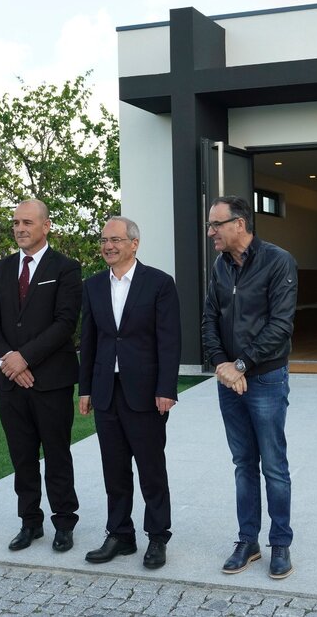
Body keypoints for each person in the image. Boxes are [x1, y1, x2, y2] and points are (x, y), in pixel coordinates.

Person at [201, 195, 298, 580]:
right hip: (230, 381)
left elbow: (281, 326)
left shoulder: (278, 261)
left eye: (216, 225)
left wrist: (242, 364)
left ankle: (281, 543)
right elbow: (209, 318)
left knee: (273, 465)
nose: (211, 232)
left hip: (267, 378)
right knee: (243, 463)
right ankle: (248, 541)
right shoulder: (219, 267)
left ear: (239, 224)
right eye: (211, 226)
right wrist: (222, 365)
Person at [78, 217, 182, 569]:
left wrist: (167, 388)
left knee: (151, 468)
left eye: (116, 240)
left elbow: (170, 341)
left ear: (134, 244)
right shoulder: (92, 286)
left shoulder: (159, 284)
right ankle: (120, 535)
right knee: (114, 468)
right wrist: (86, 389)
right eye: (104, 240)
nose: (108, 246)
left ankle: (157, 537)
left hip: (146, 393)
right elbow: (89, 341)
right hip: (107, 391)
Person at [0, 199, 82, 553]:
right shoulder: (2, 268)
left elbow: (65, 322)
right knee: (21, 456)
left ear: (46, 226)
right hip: (9, 381)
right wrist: (9, 359)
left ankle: (64, 522)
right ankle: (30, 522)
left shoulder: (66, 268)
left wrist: (25, 358)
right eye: (15, 223)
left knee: (57, 454)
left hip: (51, 381)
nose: (20, 228)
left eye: (27, 222)